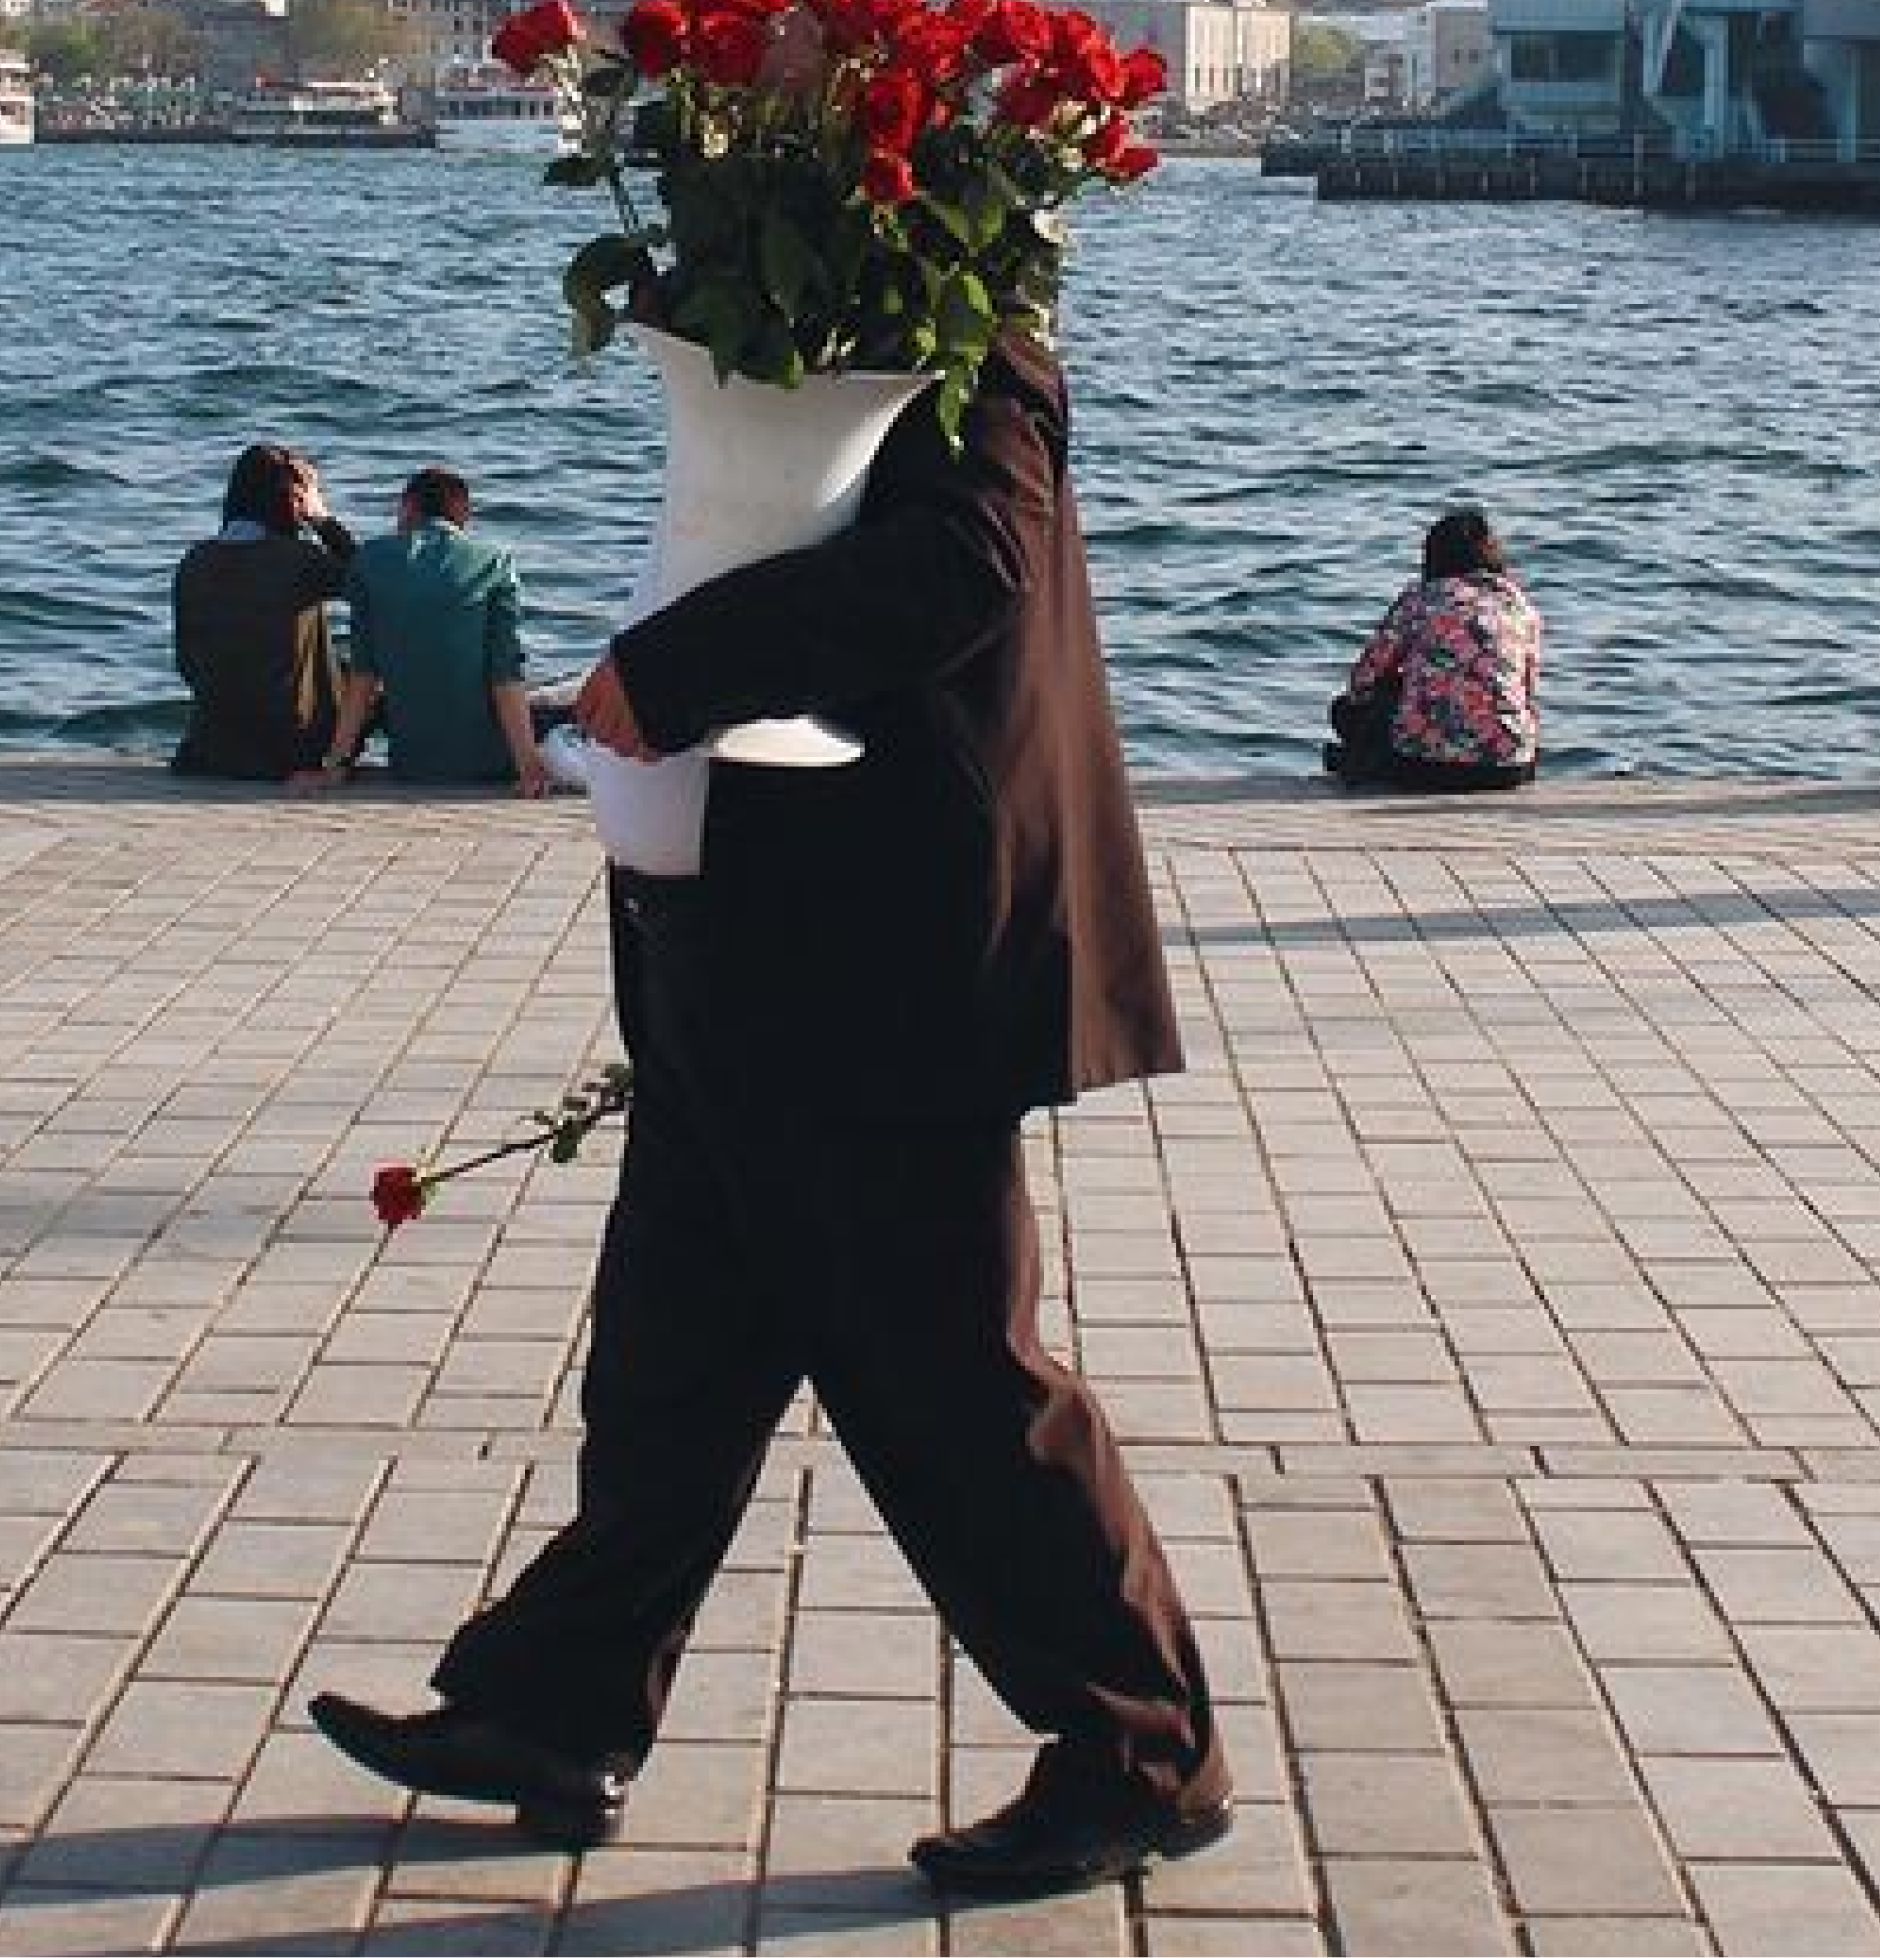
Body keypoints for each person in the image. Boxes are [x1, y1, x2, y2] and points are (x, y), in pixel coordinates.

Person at [305, 335, 1228, 1902]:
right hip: (746, 935)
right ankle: (555, 1705)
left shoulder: (960, 297)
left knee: (946, 1364)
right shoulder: (796, 264)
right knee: (674, 1349)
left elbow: (970, 557)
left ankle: (1144, 1748)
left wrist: (674, 669)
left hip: (879, 957)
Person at [300, 466, 550, 795]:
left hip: (412, 763)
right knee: (565, 699)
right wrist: (529, 769)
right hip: (488, 761)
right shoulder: (493, 562)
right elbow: (505, 676)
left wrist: (334, 767)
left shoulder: (371, 560)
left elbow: (363, 676)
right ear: (465, 515)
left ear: (407, 506)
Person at [1322, 505, 1541, 793]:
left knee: (1346, 712)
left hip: (1425, 767)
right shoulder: (1520, 607)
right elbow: (1526, 692)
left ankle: (1365, 762)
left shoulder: (1420, 600)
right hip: (1510, 768)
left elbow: (1363, 681)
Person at [171, 443, 354, 780]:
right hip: (287, 750)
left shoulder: (194, 562)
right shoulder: (300, 560)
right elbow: (370, 582)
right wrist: (323, 519)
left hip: (207, 746)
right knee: (368, 684)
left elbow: (186, 665)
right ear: (293, 501)